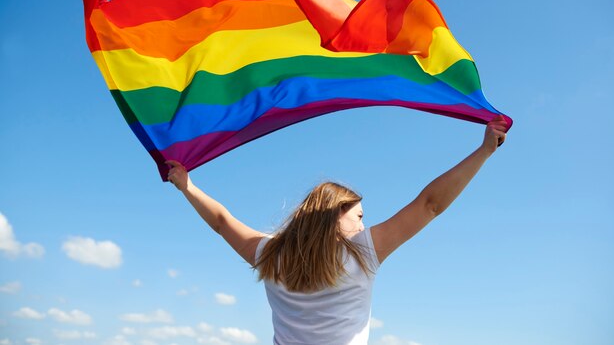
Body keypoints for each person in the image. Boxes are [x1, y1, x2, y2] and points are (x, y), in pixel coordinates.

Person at [166, 115, 509, 344]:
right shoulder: (362, 253)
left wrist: (188, 187)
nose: (363, 224)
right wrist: (483, 153)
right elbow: (429, 204)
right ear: (334, 216)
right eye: (358, 216)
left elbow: (222, 222)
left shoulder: (270, 255)